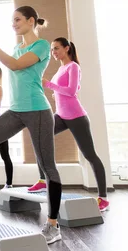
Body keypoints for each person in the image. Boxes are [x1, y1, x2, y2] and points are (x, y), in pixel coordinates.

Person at [0, 5, 63, 245]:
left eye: (17, 20)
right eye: (12, 20)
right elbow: (13, 63)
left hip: (37, 110)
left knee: (47, 166)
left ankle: (52, 225)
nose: (13, 23)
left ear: (31, 21)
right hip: (16, 110)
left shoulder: (41, 46)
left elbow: (16, 66)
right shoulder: (18, 47)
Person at [27, 37, 109, 211]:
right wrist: (54, 94)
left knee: (90, 155)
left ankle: (103, 198)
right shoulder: (61, 68)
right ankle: (43, 181)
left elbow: (71, 91)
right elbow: (68, 90)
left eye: (56, 48)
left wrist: (48, 84)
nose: (53, 52)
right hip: (61, 116)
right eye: (51, 50)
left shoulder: (73, 66)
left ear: (66, 48)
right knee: (40, 138)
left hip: (76, 117)